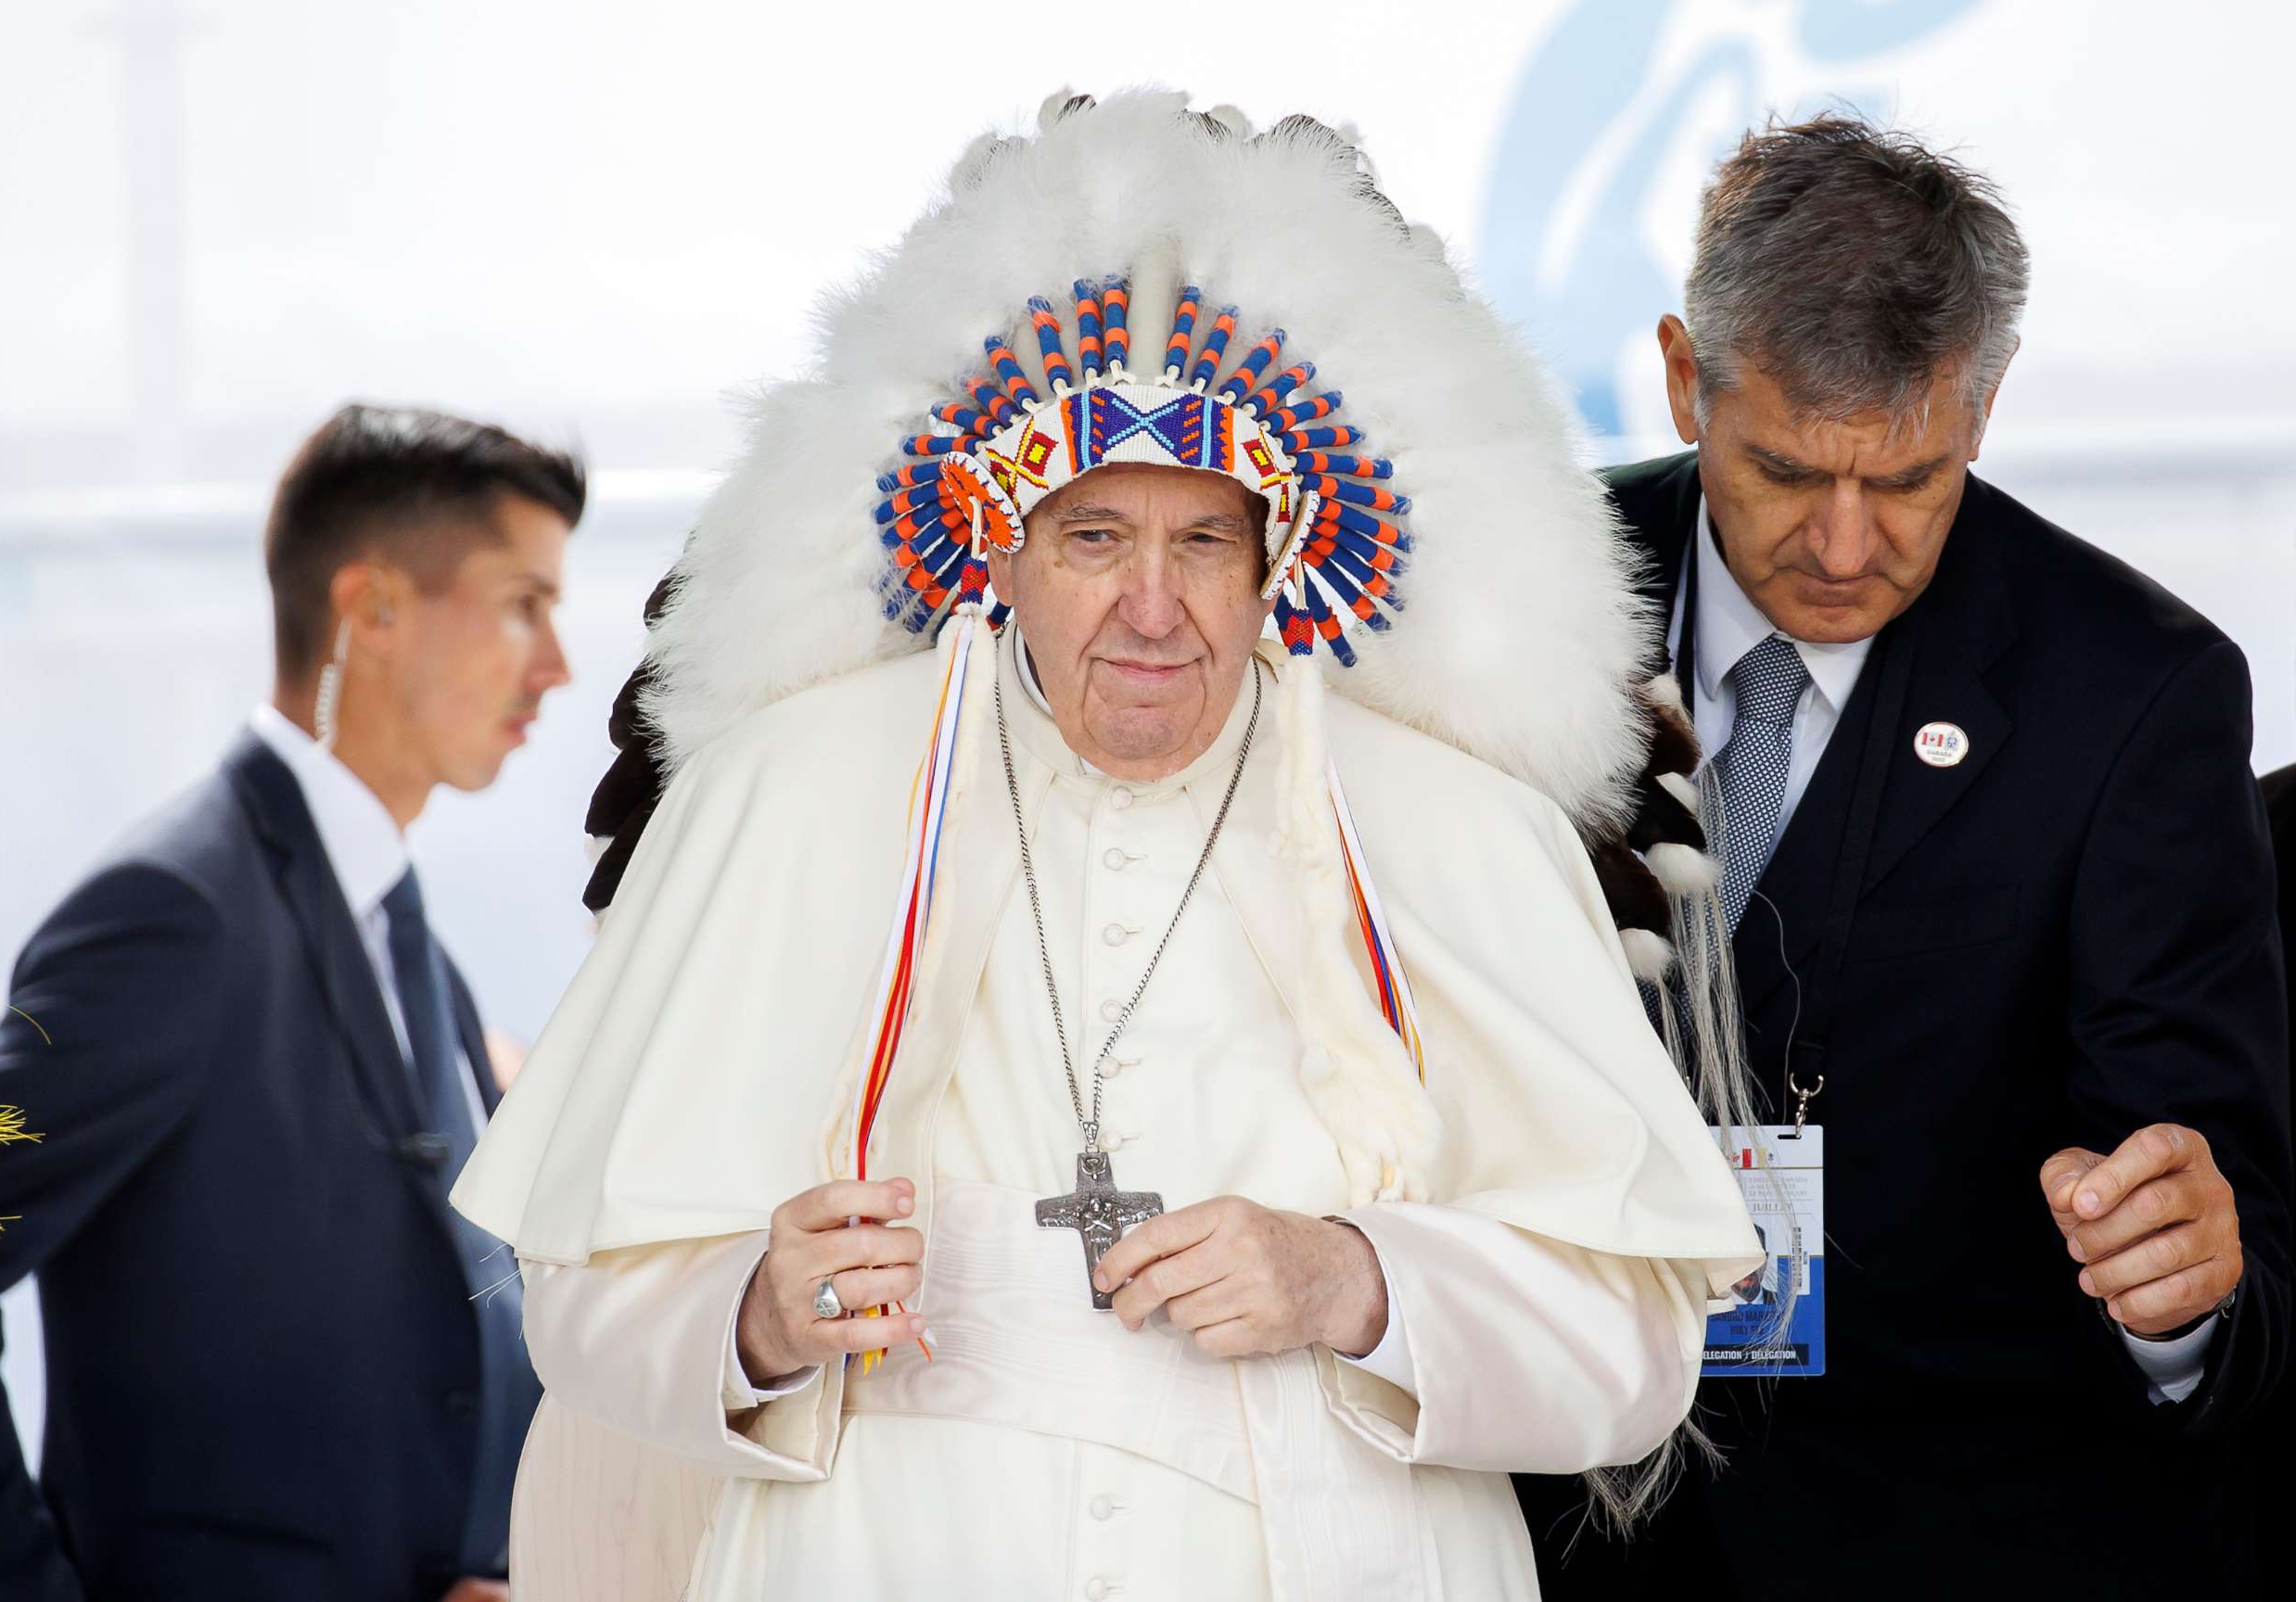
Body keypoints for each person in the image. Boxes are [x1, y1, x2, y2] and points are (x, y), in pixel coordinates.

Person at [453, 91, 1763, 1600]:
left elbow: (1636, 1355)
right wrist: (754, 1313)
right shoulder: (789, 793)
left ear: (1279, 558)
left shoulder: (1451, 825)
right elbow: (587, 1308)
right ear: (997, 549)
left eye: (1204, 541)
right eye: (1092, 539)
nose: (1155, 608)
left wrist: (1356, 1279)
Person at [1518, 116, 2291, 1598]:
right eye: (1788, 471)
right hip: (1557, 1530)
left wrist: (2180, 1287)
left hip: (1956, 1542)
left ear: (1985, 405)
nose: (1846, 543)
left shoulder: (2133, 694)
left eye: (1914, 479)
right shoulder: (1521, 593)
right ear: (1686, 377)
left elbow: (2217, 1208)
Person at [0, 405, 580, 1601]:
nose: (557, 664)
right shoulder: (176, 916)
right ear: (370, 609)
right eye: (524, 602)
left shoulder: (411, 946)